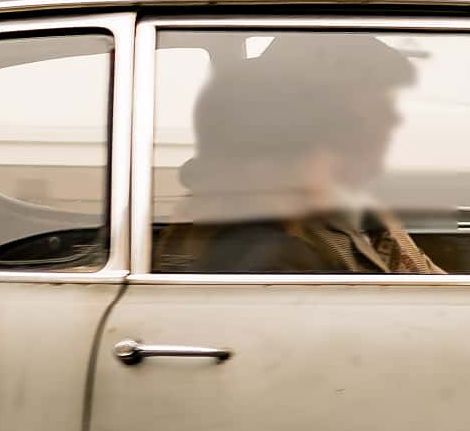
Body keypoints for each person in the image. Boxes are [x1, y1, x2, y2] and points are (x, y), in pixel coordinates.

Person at [168, 30, 442, 275]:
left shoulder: (350, 207)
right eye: (379, 105)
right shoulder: (267, 247)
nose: (393, 120)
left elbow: (431, 285)